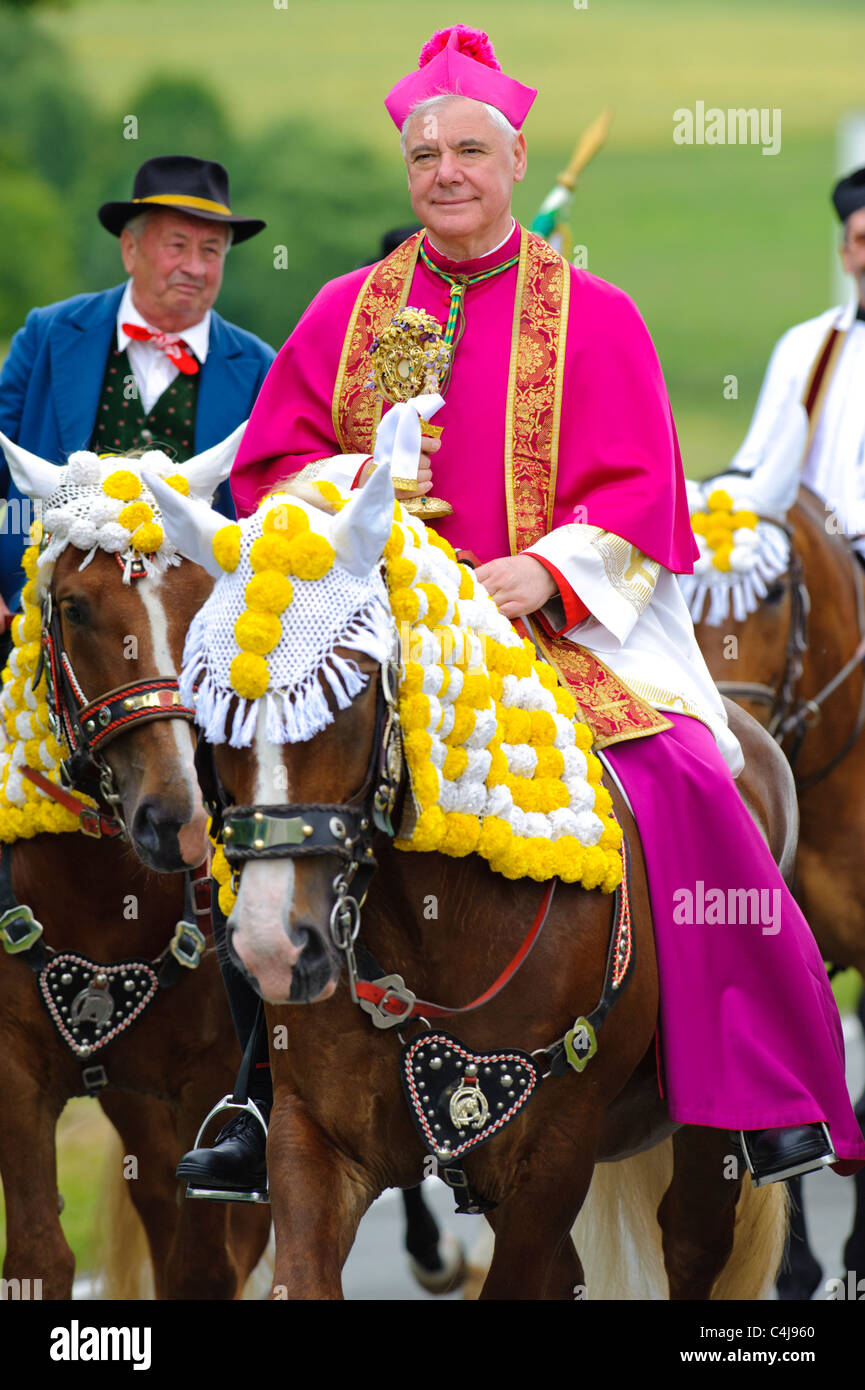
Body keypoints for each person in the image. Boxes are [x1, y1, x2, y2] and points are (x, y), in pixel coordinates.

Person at [179, 25, 865, 1196]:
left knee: (700, 783)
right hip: (380, 629)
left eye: (466, 150)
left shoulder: (594, 314)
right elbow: (270, 467)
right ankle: (253, 1092)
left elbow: (646, 497)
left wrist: (544, 571)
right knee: (246, 787)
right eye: (421, 153)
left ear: (512, 158)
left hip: (562, 624)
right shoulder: (356, 311)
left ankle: (752, 1091)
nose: (442, 172)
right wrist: (355, 489)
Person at [0, 154, 276, 634]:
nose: (194, 266)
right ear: (130, 249)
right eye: (177, 245)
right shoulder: (48, 334)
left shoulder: (258, 368)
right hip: (45, 613)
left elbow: (267, 506)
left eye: (211, 251)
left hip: (194, 629)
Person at [727, 165, 865, 545]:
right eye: (864, 239)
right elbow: (757, 462)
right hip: (820, 563)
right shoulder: (804, 346)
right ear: (846, 255)